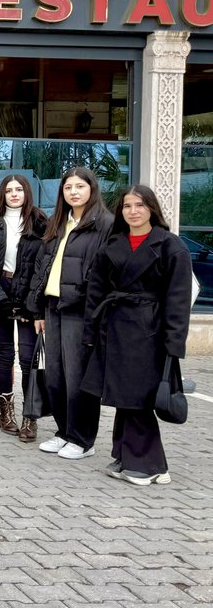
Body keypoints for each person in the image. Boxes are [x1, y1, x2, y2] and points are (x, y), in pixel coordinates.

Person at [82, 185, 192, 486]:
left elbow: (179, 300)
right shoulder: (112, 245)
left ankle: (150, 465)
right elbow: (96, 291)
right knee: (122, 395)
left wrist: (174, 343)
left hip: (150, 332)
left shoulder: (171, 246)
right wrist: (91, 333)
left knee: (138, 398)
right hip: (114, 328)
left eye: (140, 205)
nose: (133, 211)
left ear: (151, 209)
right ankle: (124, 454)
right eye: (127, 206)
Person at [28, 167, 113, 460]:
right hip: (52, 307)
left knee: (78, 378)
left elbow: (105, 274)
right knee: (55, 377)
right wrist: (37, 307)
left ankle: (83, 440)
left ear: (92, 189)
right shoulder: (58, 222)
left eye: (79, 186)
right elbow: (42, 268)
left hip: (81, 310)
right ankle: (64, 432)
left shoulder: (104, 224)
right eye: (68, 187)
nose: (73, 192)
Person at [0, 175, 47, 440]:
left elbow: (44, 264)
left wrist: (34, 300)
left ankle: (30, 417)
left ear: (27, 192)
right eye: (9, 190)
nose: (14, 194)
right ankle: (6, 412)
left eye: (19, 189)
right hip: (0, 292)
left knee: (28, 358)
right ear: (2, 194)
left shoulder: (40, 222)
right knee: (5, 354)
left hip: (29, 294)